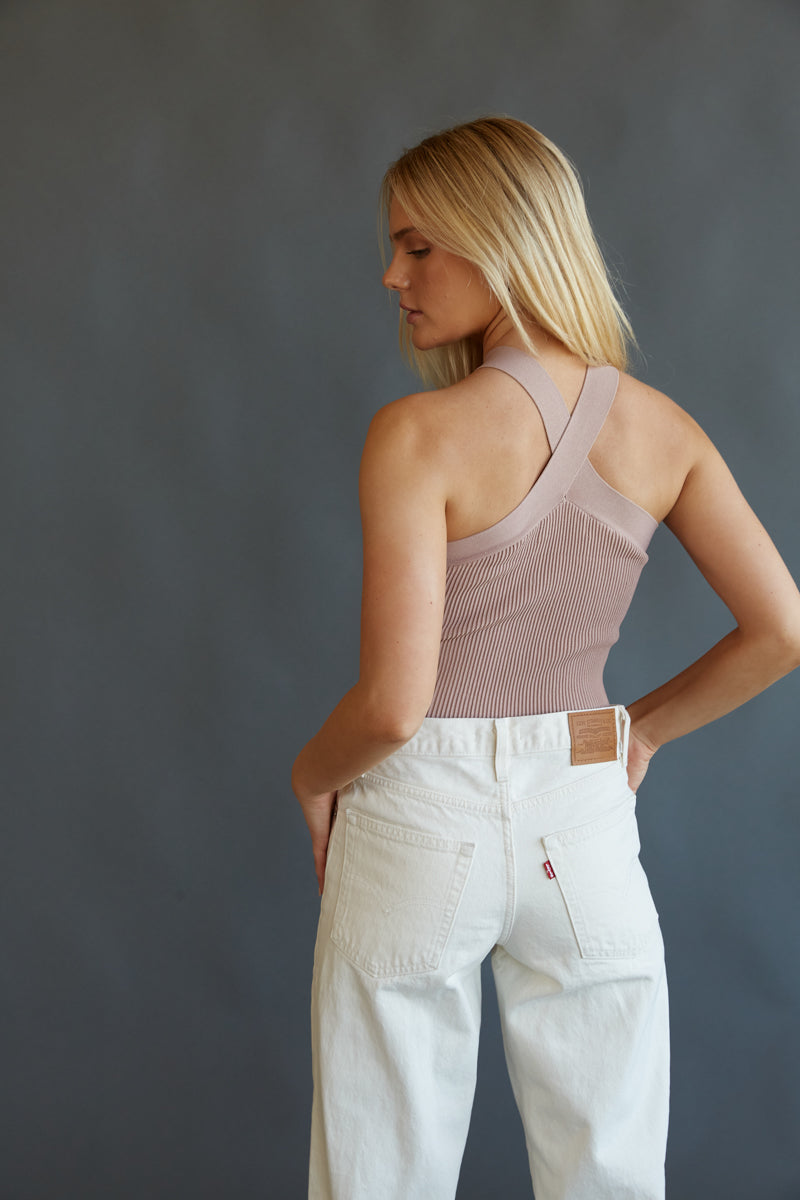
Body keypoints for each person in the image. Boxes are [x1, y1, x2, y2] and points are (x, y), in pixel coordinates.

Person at [291, 116, 800, 1200]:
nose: (391, 276)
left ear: (501, 240)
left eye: (417, 246)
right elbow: (782, 630)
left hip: (420, 812)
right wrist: (639, 732)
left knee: (381, 1172)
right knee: (609, 1170)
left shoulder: (418, 435)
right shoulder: (665, 431)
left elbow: (393, 707)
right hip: (583, 808)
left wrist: (309, 774)